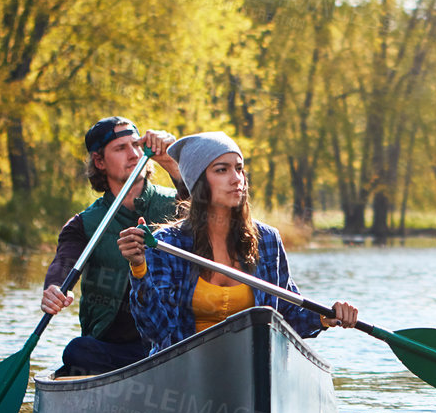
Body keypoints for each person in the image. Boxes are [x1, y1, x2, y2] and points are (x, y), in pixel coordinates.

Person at [118, 131, 356, 351]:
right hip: (186, 369)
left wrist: (325, 316)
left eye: (239, 169)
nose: (236, 179)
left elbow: (287, 315)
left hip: (252, 362)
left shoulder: (268, 240)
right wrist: (139, 268)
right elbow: (156, 330)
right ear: (198, 182)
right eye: (222, 170)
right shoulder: (166, 244)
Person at [42, 117, 189, 376]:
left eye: (136, 145)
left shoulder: (180, 204)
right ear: (99, 162)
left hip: (174, 342)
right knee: (77, 351)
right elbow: (63, 263)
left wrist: (170, 162)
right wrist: (54, 288)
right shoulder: (83, 223)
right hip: (116, 350)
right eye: (121, 148)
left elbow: (211, 214)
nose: (133, 155)